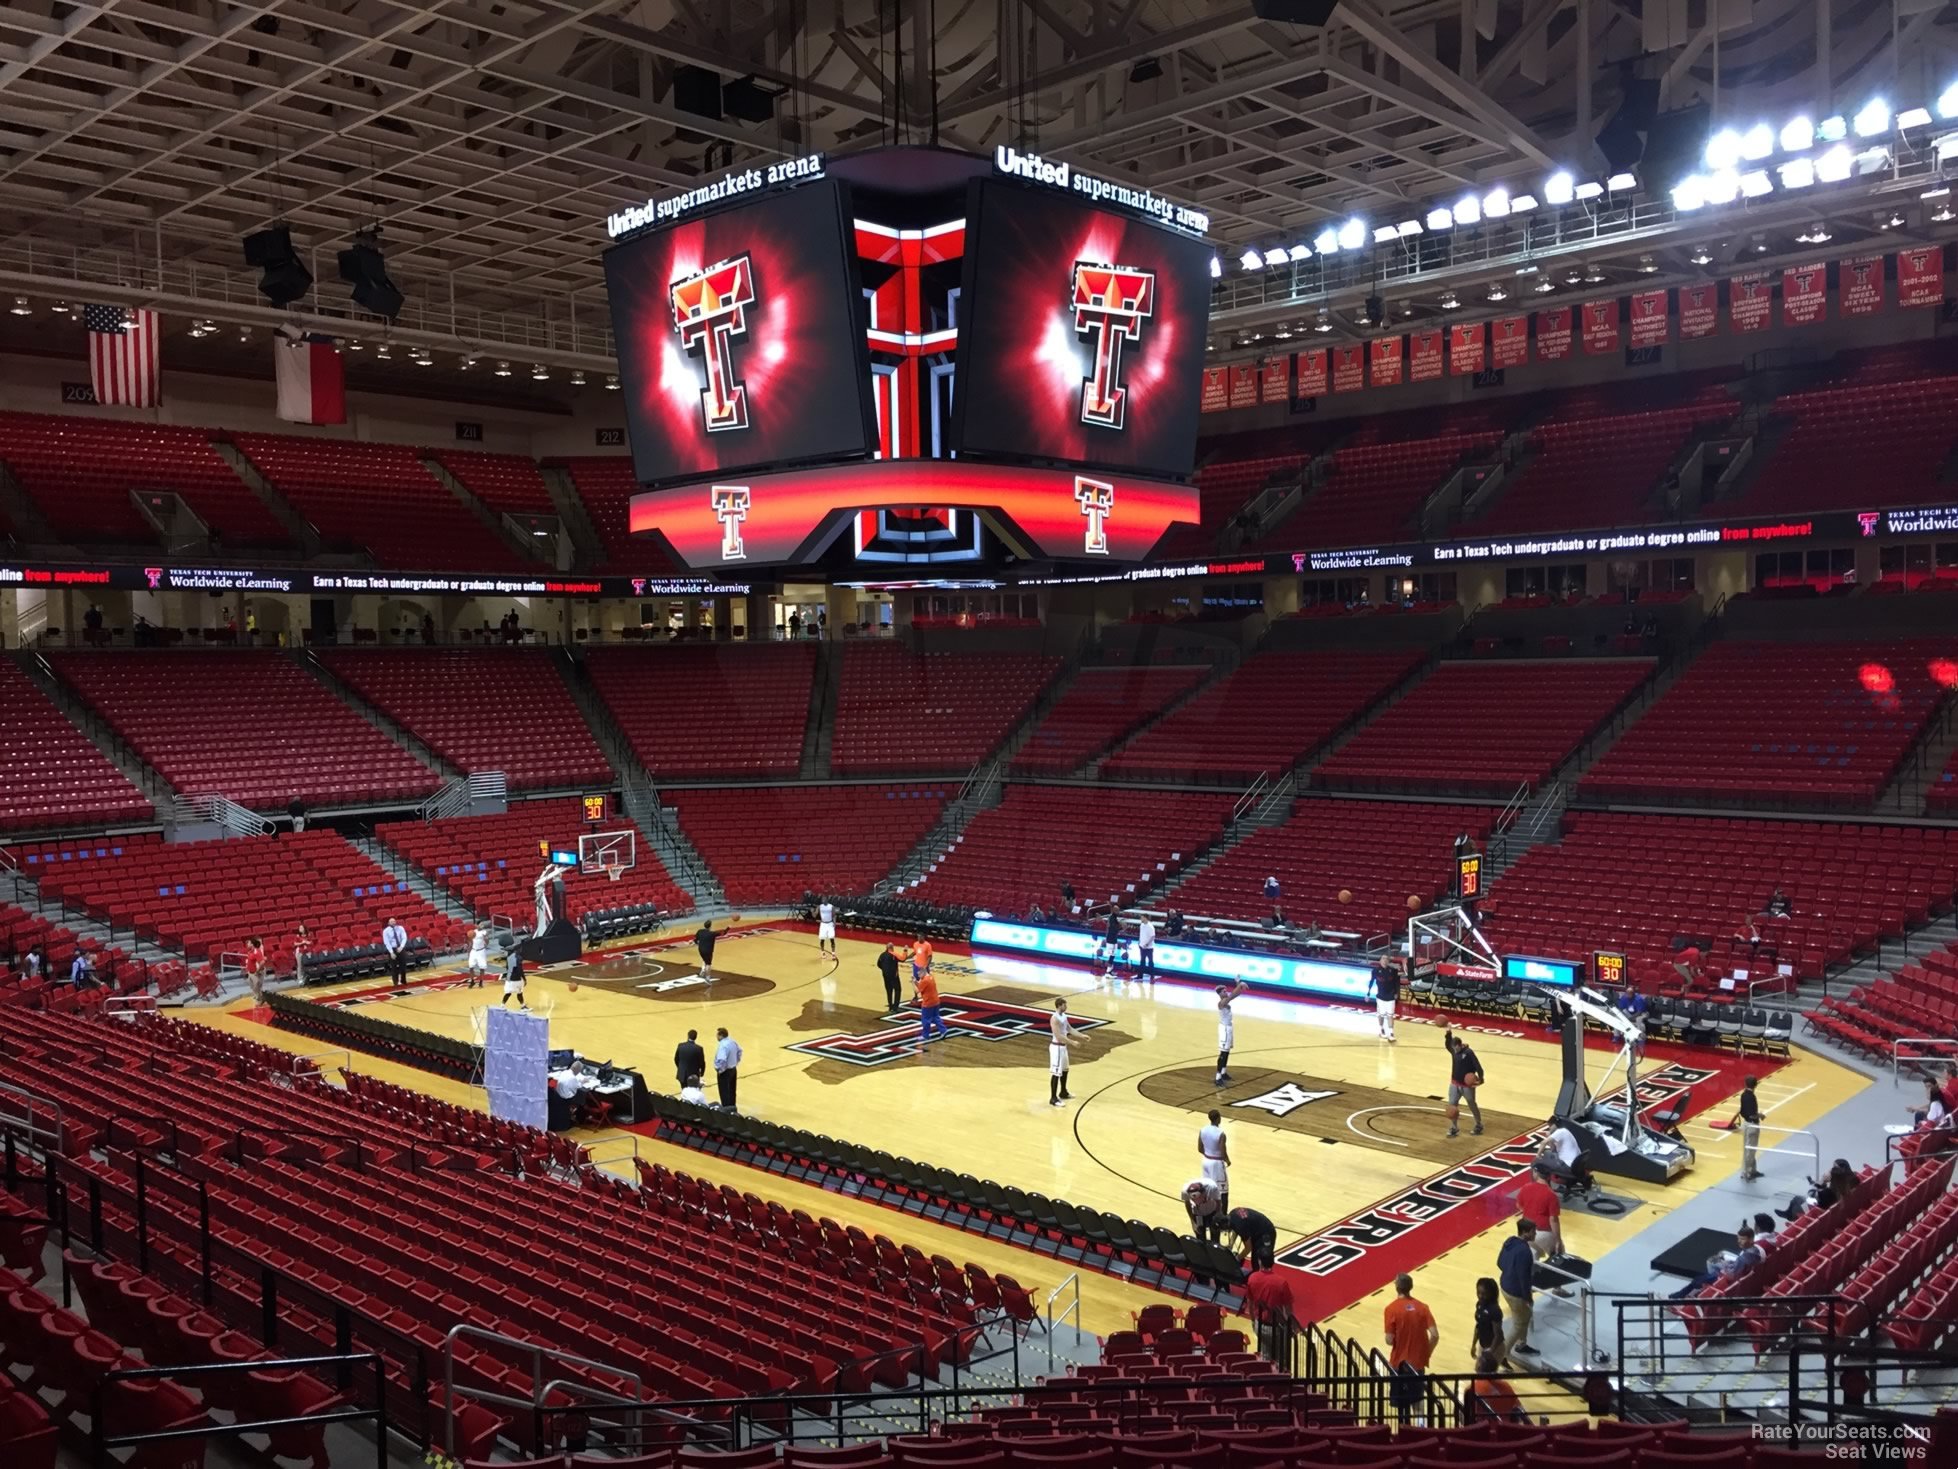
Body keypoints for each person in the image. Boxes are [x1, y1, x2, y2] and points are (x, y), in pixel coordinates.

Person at [1382, 1273, 1438, 1425]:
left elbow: (1389, 1340)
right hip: (1417, 1363)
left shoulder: (1391, 1309)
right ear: (1410, 1287)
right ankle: (1421, 1430)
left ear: (1397, 1287)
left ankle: (1404, 1433)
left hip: (1399, 1364)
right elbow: (1435, 1335)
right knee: (1418, 1402)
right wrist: (1426, 1353)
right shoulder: (1423, 1308)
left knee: (1401, 1405)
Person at [1671, 1225, 1763, 1299]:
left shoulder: (1743, 1258)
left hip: (1726, 1279)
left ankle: (1678, 1297)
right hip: (1735, 1274)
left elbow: (1731, 1276)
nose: (1739, 1242)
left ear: (1751, 1239)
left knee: (1698, 1280)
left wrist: (1724, 1266)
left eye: (1742, 1239)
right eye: (1738, 1238)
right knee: (1714, 1264)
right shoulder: (1756, 1252)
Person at [1498, 1220, 1539, 1361]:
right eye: (1534, 1231)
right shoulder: (1525, 1252)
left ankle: (1522, 1343)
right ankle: (1503, 1354)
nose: (1536, 1234)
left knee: (1523, 1316)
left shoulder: (1510, 1241)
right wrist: (1528, 1298)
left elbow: (1499, 1262)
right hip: (1515, 1292)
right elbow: (1524, 1279)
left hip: (1504, 1285)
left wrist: (1509, 1271)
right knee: (1519, 1324)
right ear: (1525, 1232)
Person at [1243, 1262, 1296, 1362]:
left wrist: (1254, 1321)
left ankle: (1267, 1375)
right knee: (1282, 1360)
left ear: (1259, 1261)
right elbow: (1288, 1309)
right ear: (1272, 1263)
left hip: (1261, 1325)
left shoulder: (1252, 1278)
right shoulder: (1281, 1282)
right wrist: (1291, 1326)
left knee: (1265, 1357)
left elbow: (1250, 1304)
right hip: (1278, 1327)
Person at [1516, 1164, 1563, 1258]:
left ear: (1536, 1173)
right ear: (1549, 1176)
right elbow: (1553, 1219)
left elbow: (1519, 1205)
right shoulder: (1551, 1195)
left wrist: (1530, 1209)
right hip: (1544, 1233)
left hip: (1527, 1233)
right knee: (1559, 1258)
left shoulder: (1526, 1187)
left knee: (1532, 1260)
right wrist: (1558, 1240)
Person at [1469, 1346, 1525, 1423]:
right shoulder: (1506, 1386)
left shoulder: (1472, 1389)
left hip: (1483, 1431)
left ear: (1478, 1366)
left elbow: (1464, 1415)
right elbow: (1520, 1412)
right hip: (1505, 1430)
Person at [1444, 1031, 1485, 1138]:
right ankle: (1454, 1127)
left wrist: (1481, 1079)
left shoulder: (1469, 1053)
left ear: (1459, 1045)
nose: (1454, 1050)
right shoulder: (1454, 1051)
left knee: (1472, 1105)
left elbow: (1478, 1066)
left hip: (1467, 1086)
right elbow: (1447, 1044)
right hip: (1454, 1083)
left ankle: (1478, 1124)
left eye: (1455, 1048)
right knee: (1452, 1106)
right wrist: (1448, 1033)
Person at [1224, 1204, 1277, 1270]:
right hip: (1258, 1230)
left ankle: (1263, 1278)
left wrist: (1237, 1258)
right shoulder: (1232, 1214)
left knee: (1261, 1261)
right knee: (1255, 1261)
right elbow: (1235, 1229)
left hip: (1266, 1232)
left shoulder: (1240, 1226)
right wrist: (1231, 1244)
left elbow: (1248, 1248)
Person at [1048, 998, 1078, 1106]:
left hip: (1063, 1047)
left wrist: (1081, 1036)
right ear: (1059, 1005)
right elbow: (1059, 1036)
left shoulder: (1064, 1017)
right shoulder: (1054, 1019)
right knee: (1056, 1072)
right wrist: (1072, 1042)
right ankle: (1053, 1098)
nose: (1066, 1006)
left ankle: (1063, 1091)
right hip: (1057, 1048)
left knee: (1065, 1070)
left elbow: (1070, 1029)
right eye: (1065, 1005)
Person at [1215, 981, 1246, 1085]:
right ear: (1220, 994)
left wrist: (1239, 985)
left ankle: (1223, 1072)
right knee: (1223, 1053)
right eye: (1224, 991)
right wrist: (1239, 984)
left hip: (1229, 1027)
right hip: (1224, 1029)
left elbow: (1236, 994)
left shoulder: (1226, 1001)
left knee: (1227, 1051)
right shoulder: (1221, 1003)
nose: (1226, 992)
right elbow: (1233, 995)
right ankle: (1217, 1077)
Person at [1197, 1109, 1230, 1207]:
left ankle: (1208, 1209)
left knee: (1208, 1188)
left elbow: (1199, 1148)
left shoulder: (1202, 1130)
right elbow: (1222, 1151)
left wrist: (1208, 1154)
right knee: (1223, 1191)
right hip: (1216, 1164)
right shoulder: (1221, 1133)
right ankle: (1223, 1215)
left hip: (1206, 1161)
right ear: (1218, 1118)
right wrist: (1228, 1161)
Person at [915, 955, 946, 1044]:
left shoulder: (924, 980)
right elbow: (922, 987)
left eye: (919, 973)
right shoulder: (930, 977)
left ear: (923, 972)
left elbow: (917, 991)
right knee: (935, 1017)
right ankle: (943, 1030)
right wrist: (917, 982)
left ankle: (925, 1035)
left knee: (925, 1019)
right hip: (936, 1001)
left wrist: (914, 982)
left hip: (928, 1003)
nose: (918, 975)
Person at [1182, 1178, 1224, 1242]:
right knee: (1200, 1237)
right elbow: (1187, 1205)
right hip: (1198, 1214)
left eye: (1200, 1199)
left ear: (1203, 1192)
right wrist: (1193, 1222)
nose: (1198, 1203)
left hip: (1212, 1212)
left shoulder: (1212, 1188)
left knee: (1215, 1236)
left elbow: (1219, 1202)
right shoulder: (1185, 1191)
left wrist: (1218, 1218)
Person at [1471, 1276, 1504, 1359]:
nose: (1480, 1296)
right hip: (1483, 1346)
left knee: (1485, 1370)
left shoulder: (1494, 1310)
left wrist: (1489, 1353)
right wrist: (1473, 1344)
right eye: (1478, 1292)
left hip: (1495, 1349)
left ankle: (1503, 1361)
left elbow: (1498, 1335)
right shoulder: (1479, 1304)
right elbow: (1478, 1326)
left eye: (1484, 1294)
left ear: (1490, 1294)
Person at [1737, 1074, 1763, 1180]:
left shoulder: (1743, 1095)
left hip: (1746, 1124)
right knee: (1750, 1150)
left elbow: (1743, 1111)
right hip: (1752, 1125)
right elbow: (1752, 1114)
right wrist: (1760, 1115)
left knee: (1749, 1149)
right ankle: (1746, 1172)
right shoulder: (1751, 1097)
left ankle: (1752, 1170)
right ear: (1755, 1085)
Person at [1370, 959, 1401, 1042]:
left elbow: (1396, 982)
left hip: (1390, 996)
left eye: (1386, 959)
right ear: (1380, 961)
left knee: (1390, 1015)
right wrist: (1368, 993)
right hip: (1380, 997)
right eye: (1383, 959)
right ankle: (1381, 1029)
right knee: (1382, 1015)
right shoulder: (1375, 970)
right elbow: (1371, 981)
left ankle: (1391, 1033)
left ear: (1388, 961)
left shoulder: (1392, 970)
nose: (1384, 961)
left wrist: (1396, 993)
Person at [713, 1027, 742, 1111]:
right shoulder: (733, 1042)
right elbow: (740, 1051)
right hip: (733, 1069)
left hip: (725, 1072)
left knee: (724, 1092)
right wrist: (736, 1062)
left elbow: (722, 1060)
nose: (716, 1037)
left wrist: (719, 1069)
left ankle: (726, 1111)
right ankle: (733, 1109)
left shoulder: (723, 1045)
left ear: (721, 1035)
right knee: (732, 1091)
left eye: (717, 1035)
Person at [381, 917, 410, 990]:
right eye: (391, 922)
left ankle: (403, 980)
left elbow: (404, 937)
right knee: (394, 967)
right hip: (392, 949)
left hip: (400, 948)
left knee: (403, 966)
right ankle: (395, 983)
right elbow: (386, 942)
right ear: (388, 923)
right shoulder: (386, 931)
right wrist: (391, 952)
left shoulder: (400, 928)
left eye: (394, 921)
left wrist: (401, 947)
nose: (393, 922)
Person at [877, 943, 905, 1010]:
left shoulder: (882, 955)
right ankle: (895, 1007)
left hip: (885, 975)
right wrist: (905, 951)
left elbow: (878, 964)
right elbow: (903, 959)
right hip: (894, 976)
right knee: (898, 989)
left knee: (889, 990)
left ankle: (890, 1006)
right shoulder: (893, 954)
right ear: (892, 948)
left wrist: (884, 969)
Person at [241, 936, 267, 1005]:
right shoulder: (249, 951)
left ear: (252, 944)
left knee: (257, 986)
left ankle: (260, 999)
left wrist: (257, 971)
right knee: (252, 986)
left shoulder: (257, 952)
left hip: (257, 973)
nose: (247, 944)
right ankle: (260, 997)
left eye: (248, 943)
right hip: (250, 972)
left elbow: (262, 962)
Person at [465, 924, 490, 989]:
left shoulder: (484, 932)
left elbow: (487, 942)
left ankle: (481, 982)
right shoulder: (473, 932)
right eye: (480, 924)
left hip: (481, 951)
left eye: (482, 924)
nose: (482, 925)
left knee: (482, 967)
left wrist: (485, 938)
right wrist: (469, 951)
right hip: (473, 951)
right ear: (477, 925)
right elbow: (471, 942)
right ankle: (472, 981)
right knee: (471, 967)